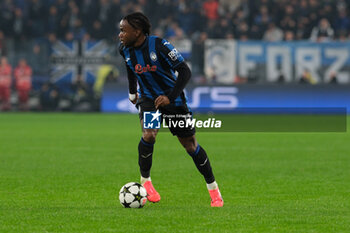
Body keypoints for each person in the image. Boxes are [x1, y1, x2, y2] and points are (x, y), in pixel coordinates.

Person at [118, 12, 223, 207]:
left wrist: (170, 97)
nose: (120, 34)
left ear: (138, 31)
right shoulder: (124, 49)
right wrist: (132, 92)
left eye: (124, 30)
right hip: (149, 99)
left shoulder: (159, 45)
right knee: (149, 135)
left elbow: (185, 71)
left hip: (173, 101)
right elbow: (130, 68)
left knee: (190, 146)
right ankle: (146, 182)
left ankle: (214, 190)